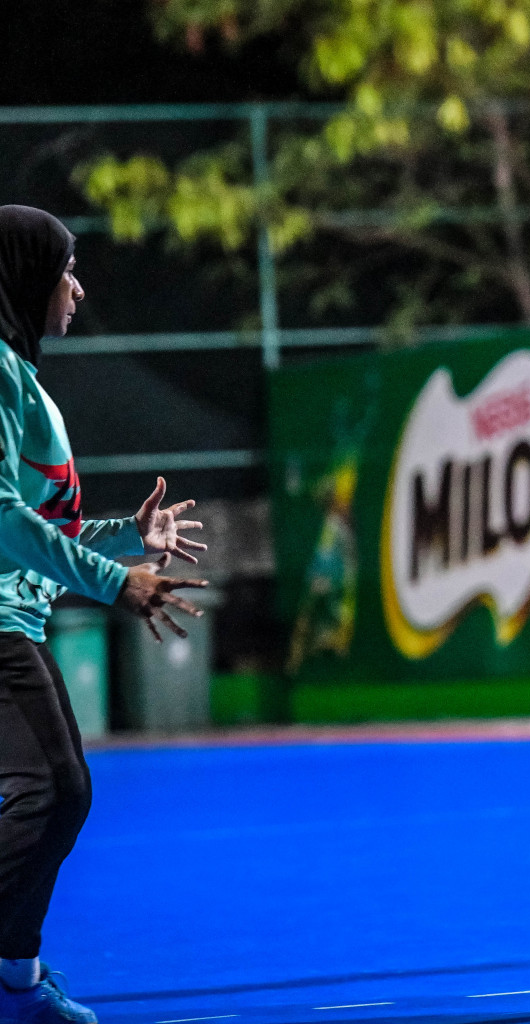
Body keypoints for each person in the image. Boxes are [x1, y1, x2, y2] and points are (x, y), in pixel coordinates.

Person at [0, 206, 208, 1024]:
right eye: (66, 269)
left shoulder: (20, 377)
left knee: (56, 792)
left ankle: (16, 986)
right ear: (24, 275)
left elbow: (42, 521)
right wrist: (112, 580)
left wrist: (131, 536)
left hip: (16, 620)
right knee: (53, 789)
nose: (78, 287)